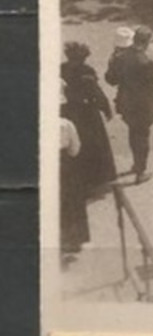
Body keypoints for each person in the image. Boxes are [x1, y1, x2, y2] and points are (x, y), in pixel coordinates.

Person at [104, 26, 153, 184]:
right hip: (144, 105)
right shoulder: (149, 61)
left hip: (126, 102)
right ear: (146, 42)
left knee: (133, 133)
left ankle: (136, 164)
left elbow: (110, 80)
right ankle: (141, 171)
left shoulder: (120, 57)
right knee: (142, 136)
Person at [60, 41, 117, 199]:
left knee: (75, 144)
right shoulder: (86, 71)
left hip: (69, 111)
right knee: (94, 144)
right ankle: (97, 179)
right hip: (88, 113)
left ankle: (80, 179)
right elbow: (95, 92)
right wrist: (106, 109)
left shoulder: (62, 69)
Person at [59, 111, 88, 263]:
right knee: (71, 201)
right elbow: (75, 149)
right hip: (65, 167)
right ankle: (72, 239)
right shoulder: (65, 124)